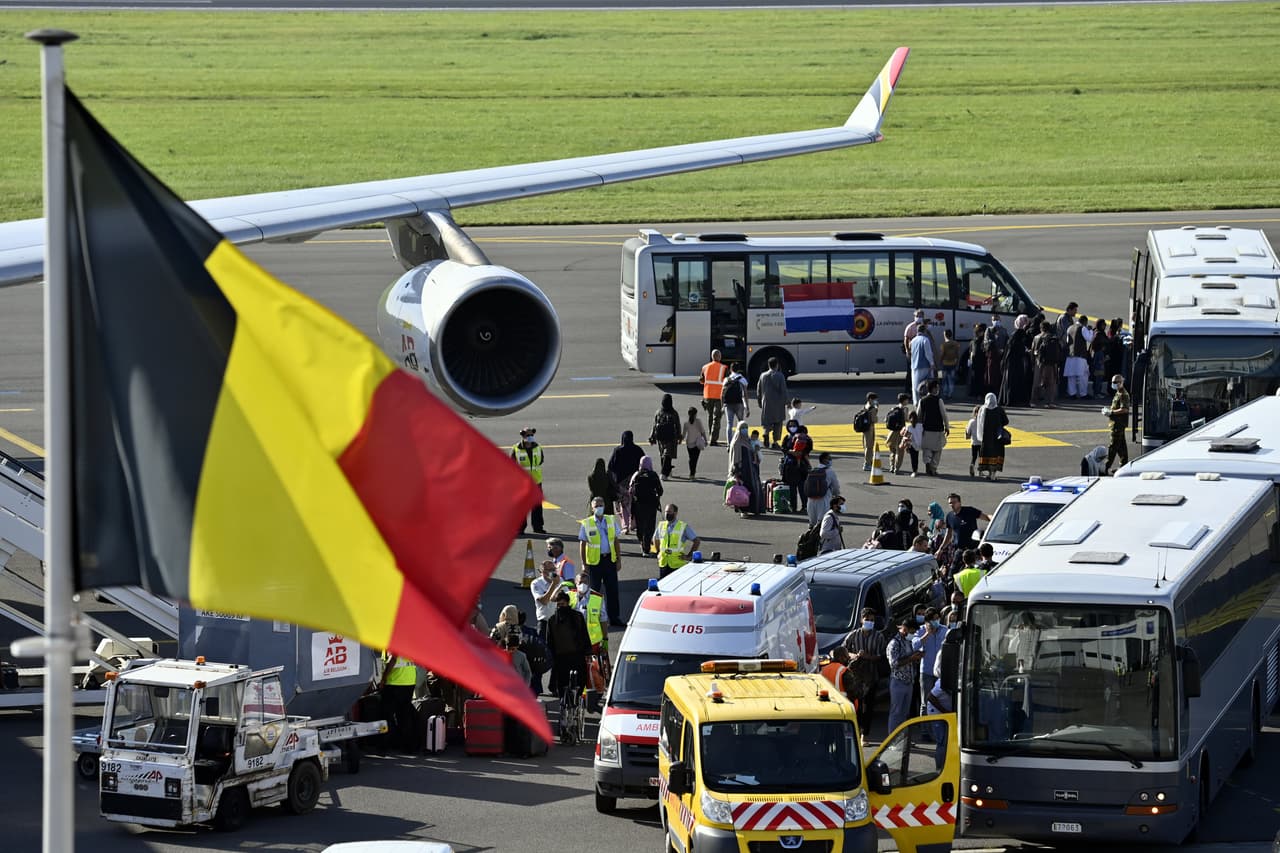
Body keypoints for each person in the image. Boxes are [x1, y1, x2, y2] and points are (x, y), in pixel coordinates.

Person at [578, 496, 627, 628]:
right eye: (596, 506)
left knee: (612, 590)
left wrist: (618, 559)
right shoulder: (587, 523)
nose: (599, 508)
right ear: (592, 508)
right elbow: (582, 544)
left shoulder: (610, 520)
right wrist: (584, 564)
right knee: (594, 591)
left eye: (601, 505)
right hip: (594, 563)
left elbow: (616, 541)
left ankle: (614, 617)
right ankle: (593, 617)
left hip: (609, 560)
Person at [843, 607, 887, 746]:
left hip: (871, 676)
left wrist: (869, 656)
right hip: (855, 677)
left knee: (867, 707)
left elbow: (881, 656)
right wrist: (854, 656)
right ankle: (853, 732)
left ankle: (864, 735)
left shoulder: (878, 636)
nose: (869, 622)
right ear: (862, 620)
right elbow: (843, 650)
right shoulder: (854, 635)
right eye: (867, 619)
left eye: (872, 620)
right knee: (854, 705)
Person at [546, 589, 591, 700]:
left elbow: (584, 635)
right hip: (561, 658)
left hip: (577, 656)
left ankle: (577, 698)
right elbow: (549, 641)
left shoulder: (577, 617)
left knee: (580, 681)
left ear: (568, 603)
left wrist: (588, 652)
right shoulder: (552, 621)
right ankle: (564, 702)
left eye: (563, 604)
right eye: (558, 605)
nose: (560, 607)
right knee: (562, 684)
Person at [887, 617, 923, 735]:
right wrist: (911, 658)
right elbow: (894, 663)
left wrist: (917, 657)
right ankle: (892, 738)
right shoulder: (894, 643)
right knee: (896, 712)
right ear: (905, 629)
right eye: (912, 632)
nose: (912, 635)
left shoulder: (908, 642)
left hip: (909, 681)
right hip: (898, 681)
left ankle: (901, 737)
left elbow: (910, 659)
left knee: (904, 713)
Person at [938, 493, 990, 573]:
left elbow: (986, 517)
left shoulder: (969, 511)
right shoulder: (949, 516)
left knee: (976, 572)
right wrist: (940, 549)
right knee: (953, 573)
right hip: (959, 550)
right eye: (950, 503)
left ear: (959, 502)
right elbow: (948, 535)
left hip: (973, 550)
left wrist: (995, 518)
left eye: (954, 502)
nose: (952, 505)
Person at [379, 651, 419, 752]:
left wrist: (383, 679)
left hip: (395, 682)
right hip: (409, 680)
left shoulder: (392, 638)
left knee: (386, 715)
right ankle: (408, 746)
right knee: (404, 715)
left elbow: (393, 659)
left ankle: (384, 745)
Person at [607, 431, 644, 533]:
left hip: (621, 483)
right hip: (635, 481)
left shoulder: (618, 451)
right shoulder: (637, 450)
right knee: (634, 503)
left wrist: (612, 480)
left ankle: (625, 525)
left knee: (623, 504)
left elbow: (611, 467)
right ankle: (633, 523)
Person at [511, 426, 546, 535]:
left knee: (537, 506)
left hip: (536, 481)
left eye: (531, 435)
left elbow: (541, 461)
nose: (530, 437)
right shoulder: (516, 449)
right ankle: (520, 528)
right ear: (523, 436)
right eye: (528, 435)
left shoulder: (538, 447)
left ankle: (538, 527)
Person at [628, 458, 663, 557]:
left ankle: (642, 543)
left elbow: (630, 490)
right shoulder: (653, 475)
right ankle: (646, 548)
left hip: (638, 504)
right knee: (649, 526)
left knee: (640, 525)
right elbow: (660, 491)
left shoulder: (636, 475)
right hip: (651, 504)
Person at [654, 503, 700, 578]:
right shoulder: (661, 525)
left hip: (677, 564)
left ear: (675, 513)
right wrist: (658, 552)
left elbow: (697, 541)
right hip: (663, 563)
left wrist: (689, 556)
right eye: (666, 512)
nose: (667, 514)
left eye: (669, 512)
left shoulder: (682, 526)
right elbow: (656, 539)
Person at [728, 421, 763, 515]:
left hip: (752, 470)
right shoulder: (736, 443)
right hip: (742, 471)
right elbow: (734, 459)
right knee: (743, 490)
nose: (745, 430)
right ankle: (743, 511)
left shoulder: (748, 441)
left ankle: (755, 509)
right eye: (742, 428)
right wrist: (736, 471)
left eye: (746, 428)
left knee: (753, 489)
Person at [999, 314, 1033, 407]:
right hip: (1016, 363)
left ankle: (1009, 399)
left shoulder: (1014, 334)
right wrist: (1026, 351)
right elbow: (1018, 348)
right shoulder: (1020, 334)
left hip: (1011, 362)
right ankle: (1015, 400)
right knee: (1017, 381)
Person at [917, 380, 949, 476]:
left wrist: (918, 428)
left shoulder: (922, 401)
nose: (938, 389)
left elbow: (919, 415)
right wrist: (947, 427)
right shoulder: (939, 400)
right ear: (934, 388)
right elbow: (944, 415)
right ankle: (933, 467)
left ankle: (927, 462)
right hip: (937, 429)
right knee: (938, 449)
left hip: (925, 429)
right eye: (937, 387)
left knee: (927, 448)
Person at [756, 356, 789, 448]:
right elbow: (783, 390)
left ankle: (766, 433)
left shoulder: (762, 375)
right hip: (778, 403)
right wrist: (787, 402)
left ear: (768, 365)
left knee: (767, 422)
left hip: (766, 402)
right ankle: (775, 442)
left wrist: (759, 401)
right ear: (777, 365)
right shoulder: (780, 375)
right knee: (778, 423)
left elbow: (758, 389)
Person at [976, 392, 1009, 480]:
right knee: (996, 454)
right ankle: (993, 475)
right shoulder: (999, 409)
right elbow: (1006, 421)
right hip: (997, 437)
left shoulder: (983, 409)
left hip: (986, 437)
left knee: (987, 454)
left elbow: (979, 423)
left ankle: (988, 473)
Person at [530, 560, 563, 648]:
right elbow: (544, 601)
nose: (552, 572)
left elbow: (568, 599)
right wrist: (553, 585)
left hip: (559, 623)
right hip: (545, 623)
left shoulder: (560, 580)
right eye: (549, 570)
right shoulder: (536, 584)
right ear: (542, 572)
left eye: (554, 569)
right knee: (544, 650)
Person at [649, 393, 682, 480]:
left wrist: (652, 437)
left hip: (660, 437)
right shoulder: (674, 413)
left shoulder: (658, 412)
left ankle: (667, 470)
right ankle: (664, 473)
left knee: (662, 454)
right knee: (668, 454)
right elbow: (678, 425)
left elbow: (654, 425)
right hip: (671, 437)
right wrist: (679, 436)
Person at [699, 349, 728, 446]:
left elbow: (701, 381)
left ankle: (711, 435)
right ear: (719, 357)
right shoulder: (724, 368)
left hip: (707, 395)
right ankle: (713, 439)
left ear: (712, 357)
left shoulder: (704, 367)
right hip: (718, 396)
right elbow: (726, 381)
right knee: (717, 418)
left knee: (710, 416)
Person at [1029, 320, 1060, 408]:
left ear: (1041, 328)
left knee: (1037, 382)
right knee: (1050, 383)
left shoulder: (1036, 337)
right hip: (1051, 364)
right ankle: (1049, 402)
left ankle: (1033, 401)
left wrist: (1032, 363)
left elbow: (1032, 351)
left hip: (1039, 363)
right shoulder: (1053, 338)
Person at [804, 451, 840, 527]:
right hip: (823, 500)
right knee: (822, 525)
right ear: (824, 460)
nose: (831, 460)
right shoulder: (830, 471)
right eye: (829, 458)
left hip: (811, 501)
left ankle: (810, 538)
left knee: (812, 524)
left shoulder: (813, 471)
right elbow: (836, 487)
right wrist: (836, 496)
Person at [1105, 373, 1132, 472]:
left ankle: (1105, 467)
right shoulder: (1118, 393)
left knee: (1113, 446)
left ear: (1121, 382)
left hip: (1118, 424)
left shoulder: (1123, 394)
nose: (1113, 384)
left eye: (1115, 382)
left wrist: (1112, 412)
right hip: (1115, 423)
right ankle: (1124, 467)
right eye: (1112, 382)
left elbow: (1125, 409)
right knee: (1121, 446)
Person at [1064, 313, 1092, 399]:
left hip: (1070, 355)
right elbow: (1089, 338)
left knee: (1071, 376)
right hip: (1080, 356)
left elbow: (1067, 341)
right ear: (1085, 322)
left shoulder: (1070, 328)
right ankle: (1083, 394)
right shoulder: (1082, 328)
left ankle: (1072, 393)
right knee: (1083, 375)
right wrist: (1090, 331)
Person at [720, 362, 750, 441]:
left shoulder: (726, 379)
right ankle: (741, 440)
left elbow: (722, 394)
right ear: (739, 369)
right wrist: (747, 407)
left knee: (729, 424)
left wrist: (722, 406)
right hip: (739, 404)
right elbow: (745, 395)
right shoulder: (742, 379)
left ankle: (729, 443)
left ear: (730, 369)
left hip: (728, 404)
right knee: (740, 423)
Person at [909, 319, 935, 407]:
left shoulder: (913, 341)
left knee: (915, 387)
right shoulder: (925, 340)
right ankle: (926, 402)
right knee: (927, 385)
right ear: (924, 331)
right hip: (925, 366)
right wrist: (932, 364)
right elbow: (928, 353)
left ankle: (916, 403)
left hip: (914, 366)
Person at [883, 394, 909, 474]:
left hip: (892, 432)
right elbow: (906, 419)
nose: (908, 401)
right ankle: (896, 469)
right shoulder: (905, 409)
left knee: (892, 450)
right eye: (907, 400)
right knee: (900, 451)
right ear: (904, 400)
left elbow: (886, 419)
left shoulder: (893, 408)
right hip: (901, 432)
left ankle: (891, 466)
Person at [681, 406, 708, 479]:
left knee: (691, 458)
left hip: (689, 443)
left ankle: (692, 472)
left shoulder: (686, 423)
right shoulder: (698, 421)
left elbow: (683, 435)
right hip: (697, 443)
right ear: (695, 414)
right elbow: (702, 431)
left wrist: (679, 440)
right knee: (695, 459)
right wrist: (705, 440)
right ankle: (692, 473)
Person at [858, 392, 879, 472]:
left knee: (866, 445)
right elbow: (874, 419)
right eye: (875, 399)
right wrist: (876, 410)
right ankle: (867, 464)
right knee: (869, 446)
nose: (876, 401)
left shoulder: (865, 406)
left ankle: (868, 461)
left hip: (864, 428)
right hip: (870, 428)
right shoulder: (872, 408)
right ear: (870, 399)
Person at [897, 410, 922, 477]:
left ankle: (915, 471)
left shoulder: (909, 427)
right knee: (918, 456)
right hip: (920, 443)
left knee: (914, 458)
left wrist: (907, 447)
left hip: (912, 444)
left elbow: (907, 437)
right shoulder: (921, 425)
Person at [939, 329, 960, 399]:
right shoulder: (956, 344)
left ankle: (945, 393)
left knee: (944, 380)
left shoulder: (943, 345)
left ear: (945, 335)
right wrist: (957, 362)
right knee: (951, 380)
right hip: (953, 363)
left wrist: (940, 361)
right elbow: (957, 354)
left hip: (945, 364)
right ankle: (950, 394)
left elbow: (942, 354)